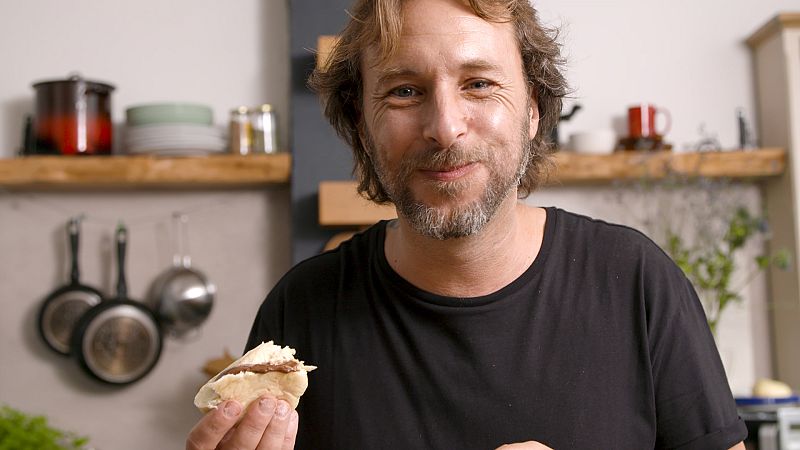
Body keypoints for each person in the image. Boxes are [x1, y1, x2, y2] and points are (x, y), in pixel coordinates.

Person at [187, 0, 748, 448]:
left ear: (531, 110)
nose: (445, 126)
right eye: (404, 91)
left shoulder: (635, 281)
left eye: (479, 83)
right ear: (362, 128)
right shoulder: (301, 308)